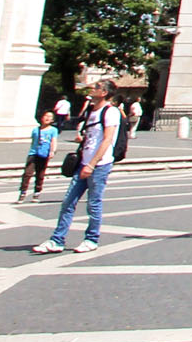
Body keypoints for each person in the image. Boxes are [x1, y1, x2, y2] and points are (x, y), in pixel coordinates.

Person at [34, 80, 120, 253]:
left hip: (99, 165)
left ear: (104, 93)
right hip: (83, 162)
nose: (92, 88)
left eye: (96, 87)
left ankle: (91, 239)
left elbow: (107, 140)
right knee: (68, 202)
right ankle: (57, 240)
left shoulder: (111, 112)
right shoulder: (91, 109)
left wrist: (92, 164)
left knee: (93, 203)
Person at [17, 111, 59, 201]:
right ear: (42, 117)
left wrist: (52, 151)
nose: (47, 118)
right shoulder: (35, 130)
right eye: (46, 116)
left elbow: (53, 141)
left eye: (50, 116)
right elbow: (33, 141)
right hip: (33, 153)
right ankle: (23, 192)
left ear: (52, 120)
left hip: (44, 154)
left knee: (40, 174)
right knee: (27, 173)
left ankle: (37, 192)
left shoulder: (53, 130)